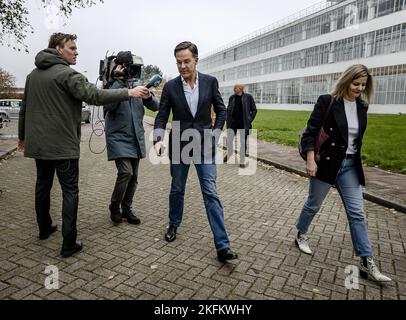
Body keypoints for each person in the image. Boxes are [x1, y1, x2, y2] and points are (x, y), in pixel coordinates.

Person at [18, 33, 151, 257]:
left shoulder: (32, 76)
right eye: (72, 48)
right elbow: (95, 96)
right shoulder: (69, 75)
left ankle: (44, 228)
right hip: (63, 146)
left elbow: (24, 108)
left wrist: (22, 137)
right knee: (70, 191)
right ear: (58, 49)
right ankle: (68, 243)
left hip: (39, 146)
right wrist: (129, 92)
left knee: (43, 186)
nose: (76, 52)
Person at [296, 64, 391, 282]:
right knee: (313, 204)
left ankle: (366, 261)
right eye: (355, 83)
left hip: (349, 166)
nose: (359, 88)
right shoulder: (327, 101)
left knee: (357, 213)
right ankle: (301, 234)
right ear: (346, 80)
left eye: (363, 85)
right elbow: (310, 132)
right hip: (326, 164)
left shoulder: (362, 107)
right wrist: (311, 160)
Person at [153, 41, 238, 262]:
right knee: (177, 188)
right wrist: (158, 139)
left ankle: (222, 245)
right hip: (179, 145)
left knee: (210, 192)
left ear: (196, 60)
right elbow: (162, 115)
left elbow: (222, 111)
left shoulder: (210, 82)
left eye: (186, 61)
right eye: (179, 62)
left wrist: (216, 133)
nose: (182, 66)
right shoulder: (170, 87)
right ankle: (173, 223)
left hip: (204, 146)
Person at [104, 51, 159, 225]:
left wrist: (148, 95)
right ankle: (115, 206)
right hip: (118, 137)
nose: (133, 72)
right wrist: (119, 81)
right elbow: (108, 105)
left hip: (136, 136)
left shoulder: (137, 84)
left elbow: (156, 106)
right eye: (130, 67)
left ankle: (127, 209)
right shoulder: (111, 85)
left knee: (133, 177)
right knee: (125, 172)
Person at [225, 84, 257, 166]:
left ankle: (242, 160)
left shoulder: (248, 97)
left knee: (243, 142)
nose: (235, 89)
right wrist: (227, 117)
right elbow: (228, 109)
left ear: (241, 89)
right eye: (234, 88)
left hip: (243, 123)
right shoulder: (232, 98)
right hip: (233, 123)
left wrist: (249, 119)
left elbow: (254, 109)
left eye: (236, 88)